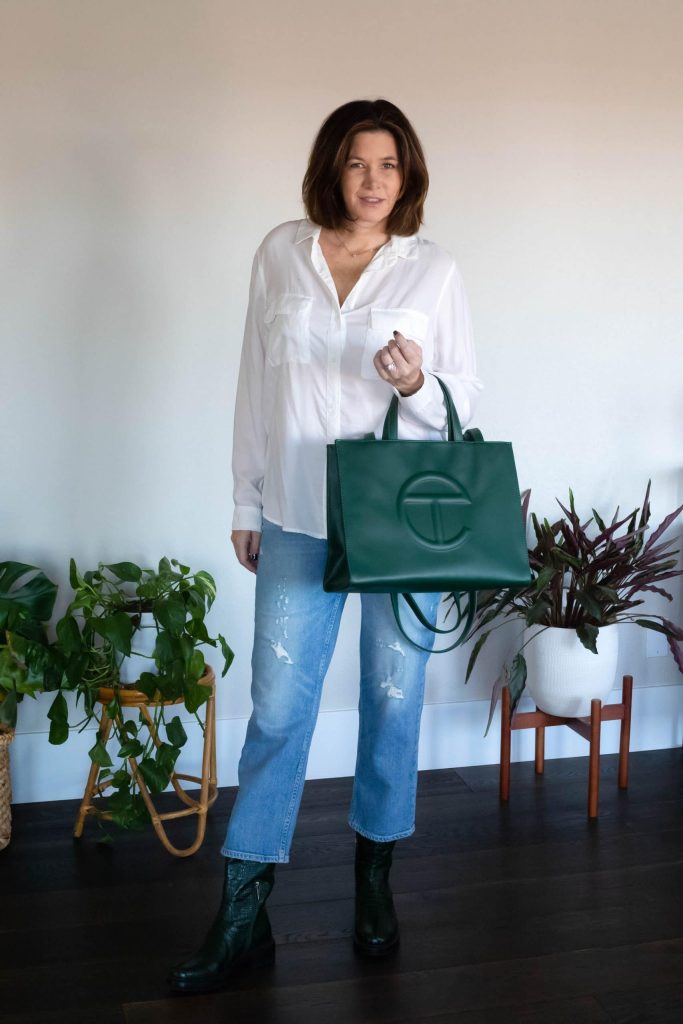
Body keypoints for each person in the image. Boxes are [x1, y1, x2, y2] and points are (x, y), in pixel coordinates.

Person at [168, 98, 483, 995]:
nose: (373, 181)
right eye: (356, 163)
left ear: (408, 173)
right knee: (276, 712)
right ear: (331, 169)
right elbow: (251, 382)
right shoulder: (281, 253)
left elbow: (467, 401)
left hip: (400, 524)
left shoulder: (434, 271)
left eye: (388, 164)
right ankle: (243, 916)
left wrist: (418, 382)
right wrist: (244, 496)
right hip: (298, 515)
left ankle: (373, 887)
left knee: (392, 700)